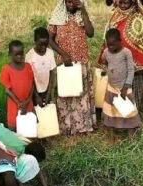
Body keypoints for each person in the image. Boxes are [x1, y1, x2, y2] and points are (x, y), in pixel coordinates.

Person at [48, 0, 96, 135]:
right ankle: (66, 127)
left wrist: (84, 11)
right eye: (68, 2)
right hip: (64, 63)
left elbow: (91, 33)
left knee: (81, 93)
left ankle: (82, 127)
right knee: (65, 93)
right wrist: (63, 54)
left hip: (81, 62)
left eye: (73, 2)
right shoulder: (58, 15)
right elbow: (50, 39)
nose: (70, 5)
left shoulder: (82, 15)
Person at [98, 0, 143, 111]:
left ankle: (135, 106)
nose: (124, 4)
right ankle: (115, 106)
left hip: (135, 22)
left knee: (136, 65)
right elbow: (108, 2)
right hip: (118, 20)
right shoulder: (119, 7)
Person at [102, 29, 141, 139]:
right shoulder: (106, 52)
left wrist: (126, 86)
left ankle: (130, 132)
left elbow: (130, 69)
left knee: (128, 110)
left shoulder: (126, 53)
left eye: (113, 45)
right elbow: (104, 61)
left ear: (120, 41)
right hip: (111, 87)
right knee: (111, 110)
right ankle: (112, 132)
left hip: (124, 87)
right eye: (108, 45)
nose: (111, 48)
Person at [0, 40, 34, 131]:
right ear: (10, 54)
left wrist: (28, 100)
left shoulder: (28, 67)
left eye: (21, 54)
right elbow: (7, 90)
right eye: (17, 54)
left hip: (28, 102)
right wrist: (19, 103)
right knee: (13, 125)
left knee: (29, 125)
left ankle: (28, 143)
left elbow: (32, 85)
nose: (20, 56)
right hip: (14, 103)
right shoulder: (6, 69)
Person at [25, 27, 57, 107]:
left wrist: (48, 94)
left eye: (46, 44)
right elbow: (29, 78)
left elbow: (52, 74)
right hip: (34, 91)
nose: (43, 47)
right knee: (36, 112)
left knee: (46, 113)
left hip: (46, 90)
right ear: (35, 41)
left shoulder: (50, 53)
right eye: (40, 45)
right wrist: (36, 96)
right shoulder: (30, 56)